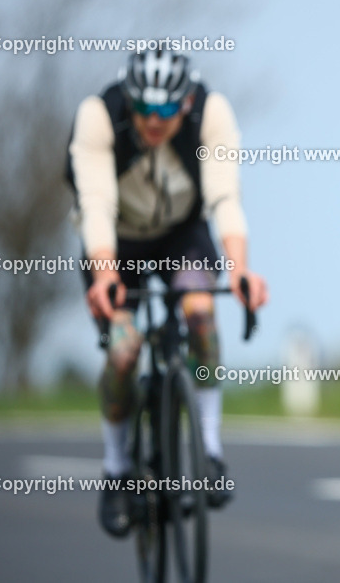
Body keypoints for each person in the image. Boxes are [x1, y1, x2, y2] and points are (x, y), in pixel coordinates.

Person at [66, 49, 269, 537]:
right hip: (117, 238)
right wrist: (105, 276)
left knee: (201, 314)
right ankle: (116, 470)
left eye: (166, 111)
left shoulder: (210, 112)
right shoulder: (98, 116)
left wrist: (239, 268)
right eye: (143, 109)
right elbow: (95, 204)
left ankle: (209, 449)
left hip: (182, 234)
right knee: (122, 350)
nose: (154, 122)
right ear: (127, 100)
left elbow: (224, 196)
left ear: (185, 103)